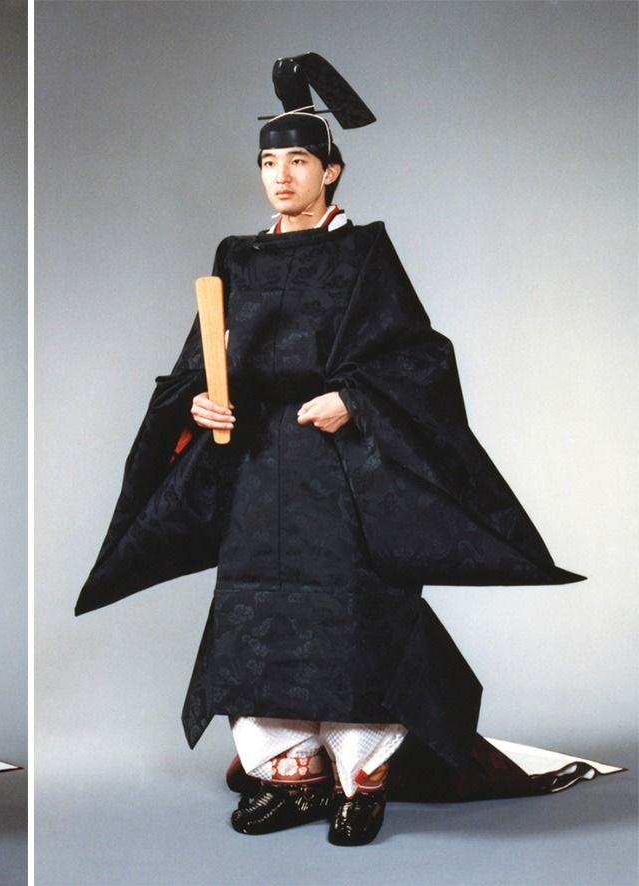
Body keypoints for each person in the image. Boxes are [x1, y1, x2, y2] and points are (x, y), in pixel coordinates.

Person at [75, 53, 583, 846]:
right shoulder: (237, 257)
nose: (280, 178)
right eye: (269, 162)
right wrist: (198, 400)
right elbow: (196, 363)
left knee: (353, 617)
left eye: (298, 161)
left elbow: (420, 358)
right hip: (252, 464)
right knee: (258, 618)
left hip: (339, 469)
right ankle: (288, 775)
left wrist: (356, 399)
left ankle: (361, 781)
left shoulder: (364, 254)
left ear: (332, 170)